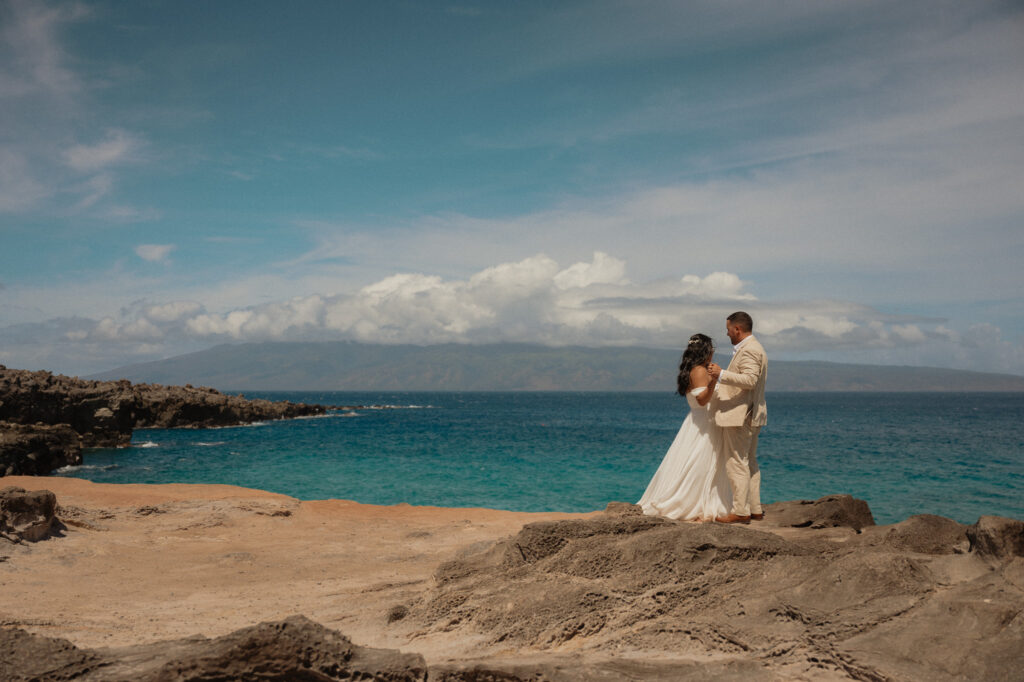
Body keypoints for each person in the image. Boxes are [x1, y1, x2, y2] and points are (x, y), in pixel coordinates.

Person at [637, 333, 733, 521]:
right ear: (706, 351)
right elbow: (702, 399)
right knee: (698, 464)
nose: (713, 352)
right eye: (712, 349)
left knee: (695, 463)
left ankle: (700, 501)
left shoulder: (694, 369)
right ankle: (691, 503)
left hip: (698, 421)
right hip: (704, 423)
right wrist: (714, 380)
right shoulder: (700, 371)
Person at [708, 311, 767, 524]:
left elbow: (750, 380)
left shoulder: (749, 350)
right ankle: (755, 508)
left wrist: (720, 374)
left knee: (736, 462)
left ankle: (740, 511)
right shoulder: (756, 347)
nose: (727, 334)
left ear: (737, 329)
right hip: (753, 414)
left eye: (728, 330)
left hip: (741, 415)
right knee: (750, 462)